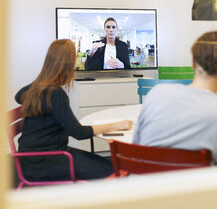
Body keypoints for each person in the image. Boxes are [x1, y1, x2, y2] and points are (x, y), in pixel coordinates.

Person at [15, 39, 132, 181]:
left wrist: (43, 76)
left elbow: (18, 96)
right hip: (45, 162)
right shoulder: (55, 94)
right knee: (114, 171)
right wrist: (117, 125)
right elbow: (79, 132)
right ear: (67, 64)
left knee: (108, 165)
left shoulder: (39, 88)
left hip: (32, 159)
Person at [133, 31, 217, 165]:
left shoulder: (155, 94)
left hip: (144, 184)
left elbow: (136, 148)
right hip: (197, 186)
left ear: (193, 62)